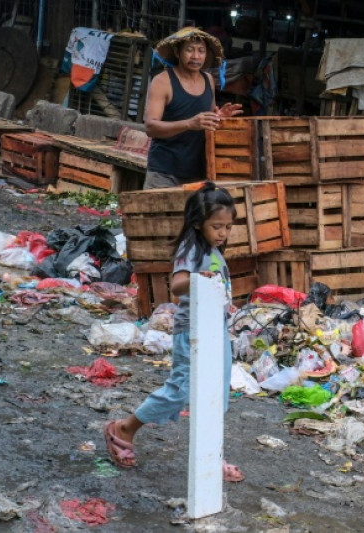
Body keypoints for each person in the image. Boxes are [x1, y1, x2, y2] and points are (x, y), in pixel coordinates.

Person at [103, 181, 244, 482]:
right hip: (192, 330)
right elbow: (178, 285)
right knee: (181, 391)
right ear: (198, 223)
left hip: (216, 329)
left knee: (217, 395)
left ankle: (212, 453)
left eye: (228, 227)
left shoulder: (214, 250)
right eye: (217, 226)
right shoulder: (191, 248)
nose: (223, 233)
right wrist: (198, 277)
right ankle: (123, 429)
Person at [144, 27, 243, 190]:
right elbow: (150, 127)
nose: (196, 56)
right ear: (177, 52)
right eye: (189, 50)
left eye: (201, 51)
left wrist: (218, 118)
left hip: (198, 173)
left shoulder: (208, 79)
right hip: (164, 173)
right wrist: (189, 124)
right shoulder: (162, 81)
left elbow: (207, 120)